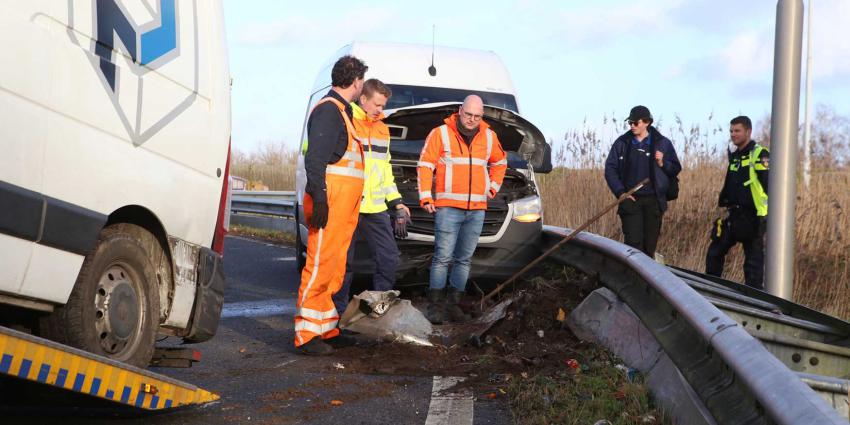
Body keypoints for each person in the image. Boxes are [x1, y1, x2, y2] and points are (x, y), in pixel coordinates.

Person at [296, 55, 368, 355]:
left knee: (334, 268)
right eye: (362, 80)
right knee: (319, 266)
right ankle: (306, 334)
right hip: (331, 205)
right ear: (355, 81)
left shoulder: (342, 111)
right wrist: (321, 198)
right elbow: (315, 161)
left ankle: (325, 328)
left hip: (341, 208)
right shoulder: (329, 111)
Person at [418, 95, 507, 324]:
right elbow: (426, 164)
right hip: (448, 207)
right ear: (460, 110)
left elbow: (500, 162)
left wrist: (493, 187)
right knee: (442, 258)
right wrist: (426, 196)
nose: (472, 120)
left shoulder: (489, 136)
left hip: (476, 209)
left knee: (464, 260)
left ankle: (453, 306)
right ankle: (435, 307)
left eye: (477, 116)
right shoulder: (441, 133)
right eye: (468, 114)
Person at [332, 79, 411, 314]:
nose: (380, 110)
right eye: (377, 104)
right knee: (344, 265)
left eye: (383, 105)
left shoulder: (382, 128)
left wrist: (396, 202)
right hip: (348, 204)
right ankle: (338, 315)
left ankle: (379, 310)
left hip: (375, 208)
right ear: (363, 99)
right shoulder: (346, 120)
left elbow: (385, 168)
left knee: (389, 259)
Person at [604, 105, 681, 258]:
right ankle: (631, 281)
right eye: (630, 123)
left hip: (654, 201)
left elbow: (675, 168)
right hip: (630, 200)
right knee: (633, 245)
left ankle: (645, 281)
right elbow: (610, 169)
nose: (632, 126)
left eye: (635, 123)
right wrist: (621, 193)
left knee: (649, 247)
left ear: (646, 122)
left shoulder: (663, 143)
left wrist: (662, 163)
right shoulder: (622, 143)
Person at [705, 116, 769, 290]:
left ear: (748, 131)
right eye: (731, 131)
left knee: (753, 262)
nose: (733, 134)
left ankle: (754, 298)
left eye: (737, 131)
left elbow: (769, 184)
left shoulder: (759, 154)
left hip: (754, 216)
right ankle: (711, 289)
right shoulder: (736, 156)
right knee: (715, 251)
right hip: (734, 214)